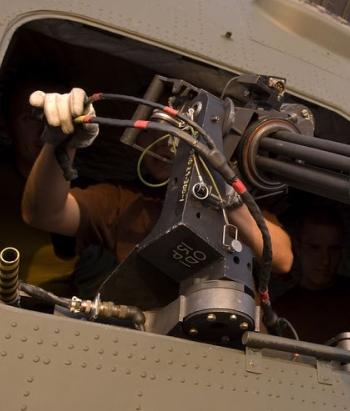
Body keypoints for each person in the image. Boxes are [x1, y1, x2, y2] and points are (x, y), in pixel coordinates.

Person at [21, 88, 293, 287]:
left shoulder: (234, 199)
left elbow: (281, 258)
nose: (163, 141)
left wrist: (225, 193)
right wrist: (61, 144)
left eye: (176, 129)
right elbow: (44, 214)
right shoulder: (124, 201)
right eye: (154, 128)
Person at [0, 73, 80, 296]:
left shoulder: (83, 196)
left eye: (57, 118)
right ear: (6, 124)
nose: (46, 131)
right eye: (31, 118)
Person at [272, 206, 350, 344]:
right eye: (315, 248)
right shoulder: (280, 311)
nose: (325, 260)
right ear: (298, 247)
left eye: (333, 249)